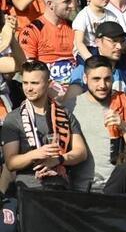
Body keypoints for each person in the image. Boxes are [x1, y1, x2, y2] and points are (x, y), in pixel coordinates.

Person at [1, 60, 87, 190]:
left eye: (35, 83)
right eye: (25, 83)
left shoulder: (64, 114)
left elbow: (81, 152)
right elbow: (11, 163)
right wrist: (35, 154)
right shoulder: (14, 118)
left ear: (48, 84)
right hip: (29, 190)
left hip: (60, 188)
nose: (29, 88)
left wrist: (59, 160)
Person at [66, 55, 126, 191]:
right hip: (82, 189)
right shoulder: (71, 107)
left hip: (119, 188)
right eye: (96, 79)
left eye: (107, 79)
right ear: (85, 79)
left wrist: (124, 127)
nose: (102, 85)